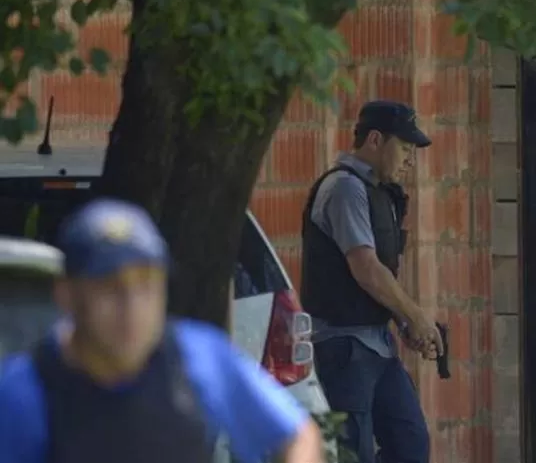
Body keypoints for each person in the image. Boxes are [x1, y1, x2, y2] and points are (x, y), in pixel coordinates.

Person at [0, 198, 322, 463]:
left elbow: (296, 435)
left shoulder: (200, 359)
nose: (132, 307)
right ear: (67, 295)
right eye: (110, 288)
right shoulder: (23, 394)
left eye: (147, 286)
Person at [301, 100, 440, 463]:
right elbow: (366, 268)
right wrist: (417, 316)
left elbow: (380, 275)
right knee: (353, 454)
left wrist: (404, 321)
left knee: (410, 445)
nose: (411, 158)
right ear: (376, 140)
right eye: (406, 147)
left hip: (377, 345)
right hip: (343, 347)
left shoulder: (380, 191)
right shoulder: (345, 188)